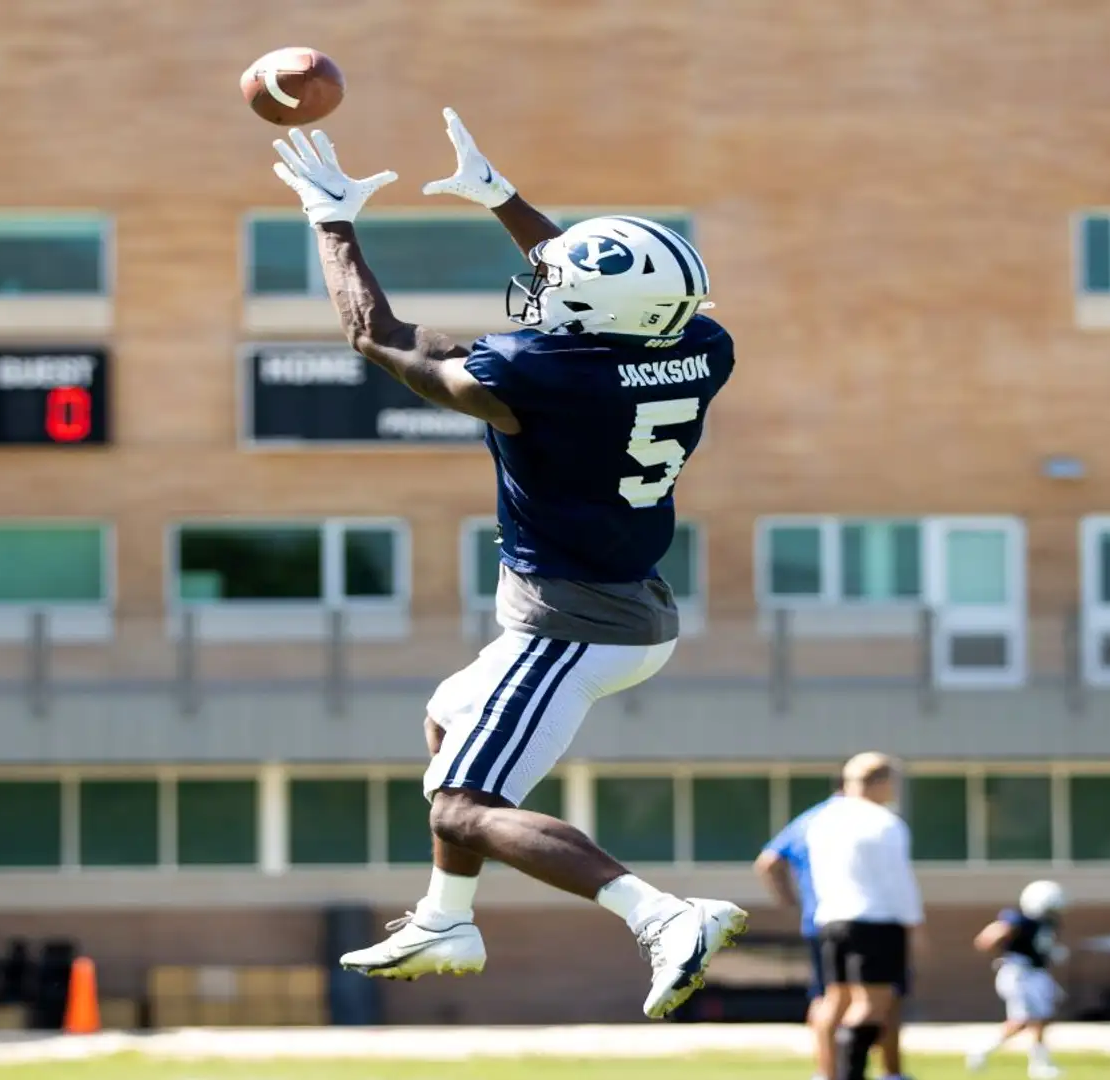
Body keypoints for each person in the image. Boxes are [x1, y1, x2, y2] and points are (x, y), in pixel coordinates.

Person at [267, 106, 743, 1020]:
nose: (538, 285)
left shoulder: (542, 376)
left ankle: (660, 915)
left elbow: (382, 337)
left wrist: (330, 220)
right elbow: (604, 294)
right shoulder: (699, 345)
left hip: (571, 626)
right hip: (623, 605)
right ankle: (447, 919)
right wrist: (504, 200)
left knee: (461, 806)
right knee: (448, 714)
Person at [756, 778, 910, 1080]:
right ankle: (886, 1073)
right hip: (861, 918)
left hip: (824, 921)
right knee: (879, 998)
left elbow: (768, 861)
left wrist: (791, 901)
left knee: (832, 999)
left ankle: (827, 1073)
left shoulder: (812, 819)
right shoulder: (848, 819)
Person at [805, 753, 925, 1080]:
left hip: (831, 919)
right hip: (875, 921)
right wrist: (913, 922)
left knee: (835, 999)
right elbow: (897, 880)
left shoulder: (823, 821)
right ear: (881, 782)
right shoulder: (883, 822)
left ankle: (827, 1073)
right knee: (874, 1004)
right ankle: (851, 1073)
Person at [967, 880, 1069, 1079]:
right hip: (1020, 974)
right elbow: (988, 938)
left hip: (1035, 973)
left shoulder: (1045, 924)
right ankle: (980, 1050)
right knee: (1021, 1021)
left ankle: (1040, 1065)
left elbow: (1040, 948)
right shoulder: (1020, 920)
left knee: (1043, 1018)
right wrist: (1002, 950)